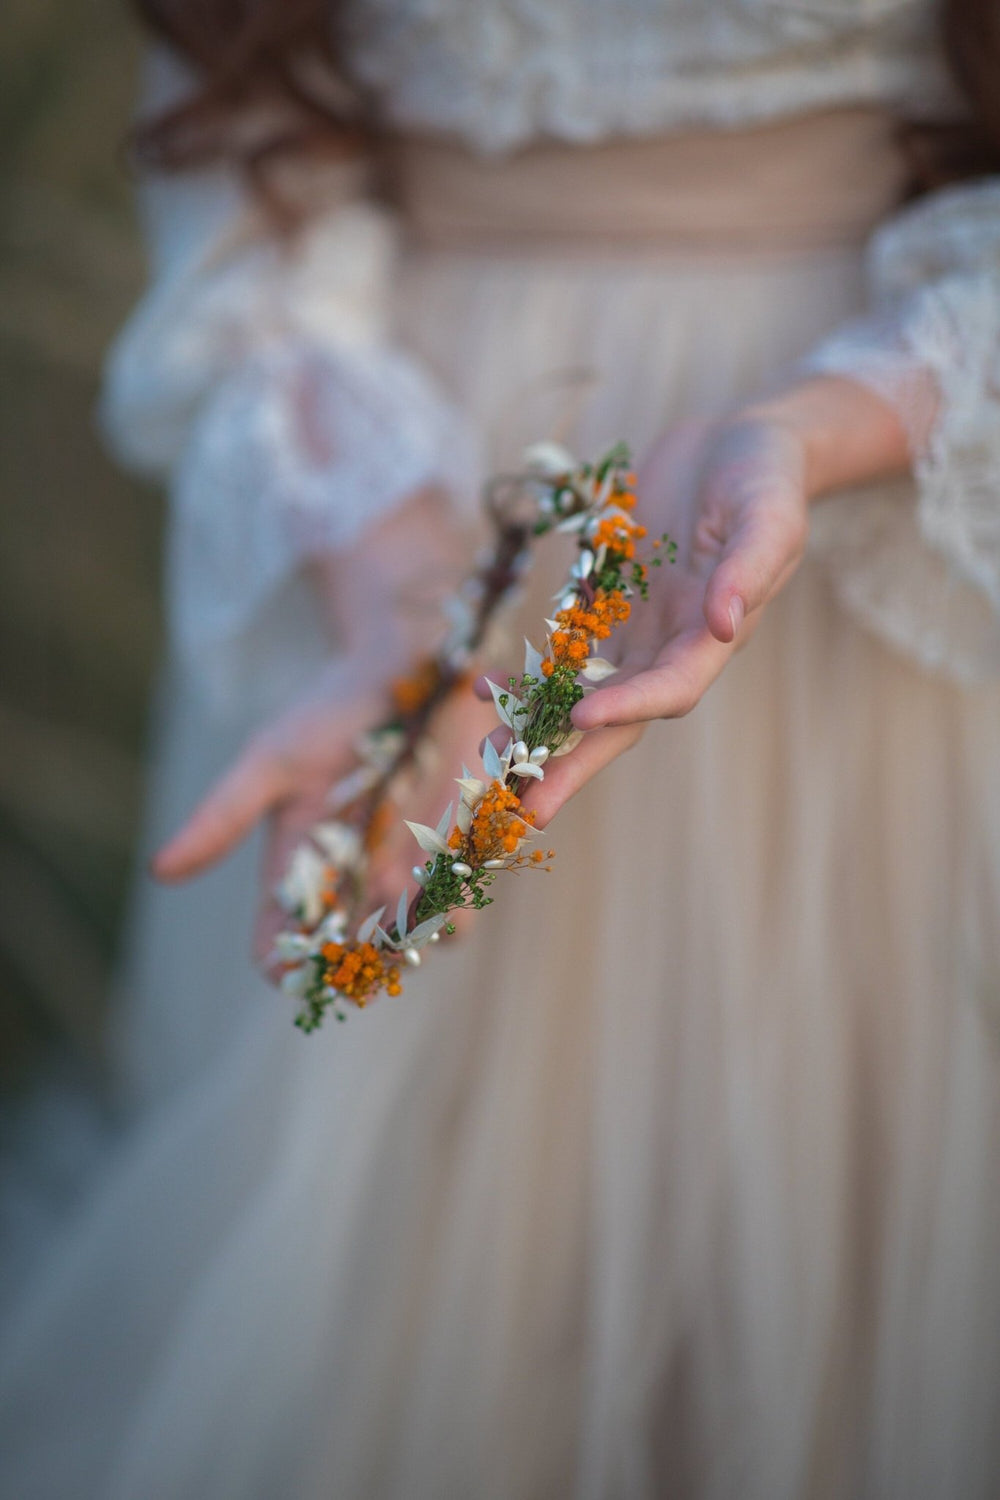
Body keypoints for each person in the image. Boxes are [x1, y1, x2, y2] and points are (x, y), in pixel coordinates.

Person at [2, 2, 1000, 1496]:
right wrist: (402, 593)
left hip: (872, 528)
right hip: (410, 513)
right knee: (406, 1280)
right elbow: (241, 206)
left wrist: (813, 431)